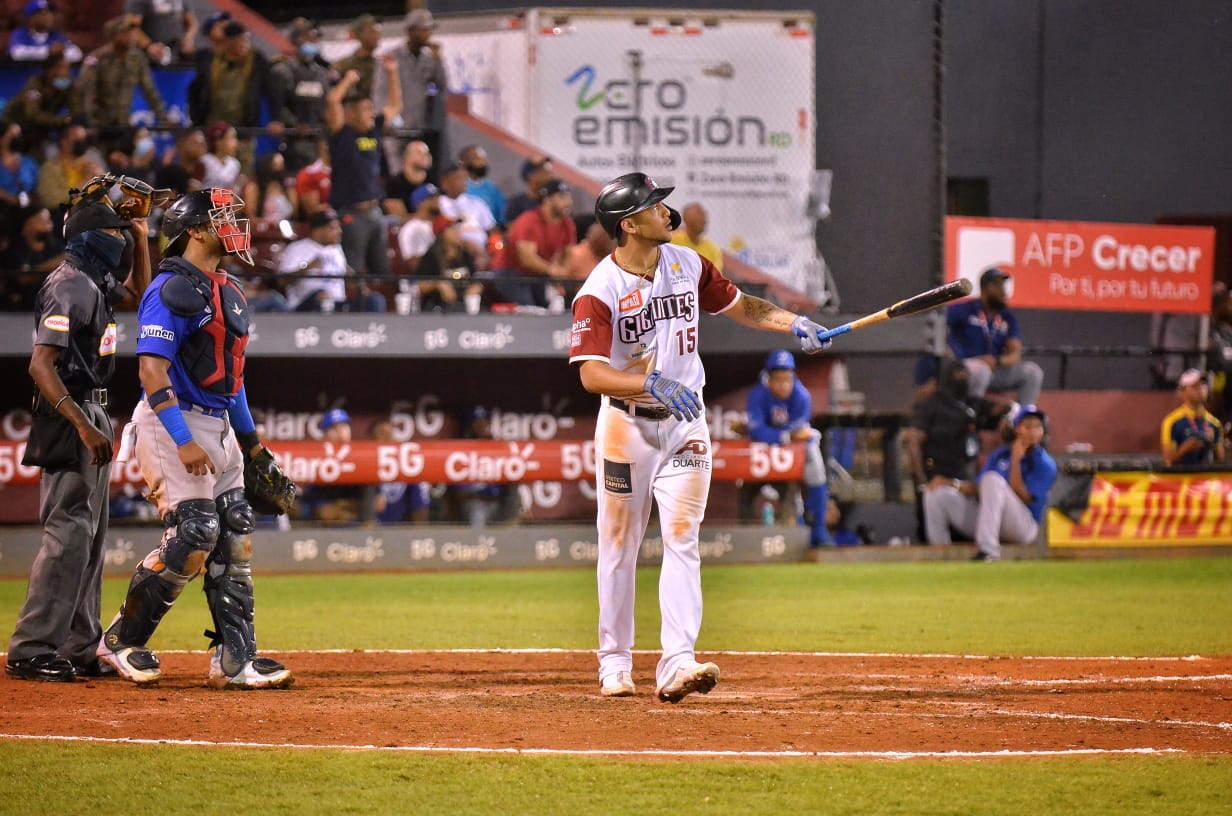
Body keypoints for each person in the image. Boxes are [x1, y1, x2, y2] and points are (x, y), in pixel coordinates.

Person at [569, 172, 834, 702]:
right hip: (627, 427)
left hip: (686, 423)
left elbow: (742, 305)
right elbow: (591, 375)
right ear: (630, 225)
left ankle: (678, 661)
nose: (668, 213)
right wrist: (648, 381)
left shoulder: (688, 263)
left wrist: (792, 322)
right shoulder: (599, 290)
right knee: (619, 545)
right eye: (654, 207)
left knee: (683, 537)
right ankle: (615, 662)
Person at [96, 186, 294, 689]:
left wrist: (251, 445)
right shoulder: (170, 288)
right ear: (198, 229)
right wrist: (184, 438)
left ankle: (236, 659)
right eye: (224, 216)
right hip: (171, 422)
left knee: (234, 532)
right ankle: (120, 641)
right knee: (196, 534)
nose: (236, 225)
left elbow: (234, 379)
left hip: (220, 423)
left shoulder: (226, 288)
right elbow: (151, 371)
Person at [5, 191, 151, 682]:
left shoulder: (94, 281)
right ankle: (32, 647)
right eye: (112, 232)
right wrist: (83, 424)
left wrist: (143, 236)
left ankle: (78, 644)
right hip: (69, 409)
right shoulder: (68, 284)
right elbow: (40, 365)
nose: (120, 239)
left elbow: (142, 297)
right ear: (90, 236)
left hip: (92, 407)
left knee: (90, 538)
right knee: (67, 533)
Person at [923, 404, 1057, 560]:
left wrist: (1015, 460)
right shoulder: (1000, 454)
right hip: (991, 522)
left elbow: (1024, 498)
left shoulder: (1045, 463)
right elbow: (979, 489)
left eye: (1037, 427)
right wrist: (950, 484)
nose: (1033, 431)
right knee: (935, 493)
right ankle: (940, 555)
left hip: (1024, 527)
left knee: (993, 479)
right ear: (1016, 429)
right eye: (1027, 426)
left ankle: (988, 551)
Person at [906, 357, 1009, 545]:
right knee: (931, 506)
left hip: (966, 472)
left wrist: (1010, 414)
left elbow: (1000, 410)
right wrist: (921, 481)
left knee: (966, 525)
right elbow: (913, 441)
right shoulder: (931, 404)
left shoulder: (972, 402)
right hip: (935, 471)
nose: (962, 378)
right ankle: (938, 556)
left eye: (965, 374)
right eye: (957, 374)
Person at [744, 349, 831, 547]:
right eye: (779, 379)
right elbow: (758, 431)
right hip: (765, 450)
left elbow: (800, 431)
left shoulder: (801, 395)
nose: (784, 384)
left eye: (788, 379)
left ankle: (819, 531)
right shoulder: (758, 394)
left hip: (794, 450)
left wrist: (784, 435)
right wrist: (786, 436)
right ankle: (797, 531)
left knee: (816, 468)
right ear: (768, 378)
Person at [326, 60, 401, 283]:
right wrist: (348, 81)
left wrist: (392, 73)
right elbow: (332, 100)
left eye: (371, 108)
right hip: (352, 212)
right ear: (351, 113)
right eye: (366, 109)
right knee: (353, 269)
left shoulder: (374, 131)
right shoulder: (342, 134)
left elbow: (395, 106)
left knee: (382, 271)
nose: (371, 113)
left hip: (375, 211)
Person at [946, 267, 1044, 407]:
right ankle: (970, 416)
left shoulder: (1006, 317)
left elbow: (1015, 353)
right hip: (966, 368)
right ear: (985, 289)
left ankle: (1023, 418)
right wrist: (952, 358)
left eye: (1004, 285)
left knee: (1032, 372)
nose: (1003, 291)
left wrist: (997, 361)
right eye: (997, 285)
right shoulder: (966, 309)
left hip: (995, 369)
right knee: (982, 370)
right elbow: (938, 324)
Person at [373, 9, 448, 178]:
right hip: (395, 125)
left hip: (418, 124)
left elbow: (442, 85)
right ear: (411, 31)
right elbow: (379, 93)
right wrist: (385, 120)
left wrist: (439, 60)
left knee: (418, 172)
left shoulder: (429, 59)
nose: (428, 34)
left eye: (429, 29)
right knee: (397, 172)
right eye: (424, 30)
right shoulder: (391, 56)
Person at [279, 207, 382, 313]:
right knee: (322, 295)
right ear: (318, 230)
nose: (340, 232)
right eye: (333, 228)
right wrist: (307, 268)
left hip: (337, 305)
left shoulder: (336, 249)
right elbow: (282, 281)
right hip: (307, 306)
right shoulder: (297, 248)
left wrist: (359, 286)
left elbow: (348, 276)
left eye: (339, 227)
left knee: (374, 300)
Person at [72, 16, 168, 129]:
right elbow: (81, 89)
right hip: (98, 125)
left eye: (132, 33)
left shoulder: (137, 59)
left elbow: (149, 90)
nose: (132, 37)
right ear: (114, 36)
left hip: (124, 123)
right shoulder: (96, 58)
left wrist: (163, 117)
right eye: (126, 34)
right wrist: (82, 121)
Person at [494, 177, 576, 308]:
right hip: (511, 273)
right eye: (562, 197)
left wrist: (562, 276)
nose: (568, 202)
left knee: (556, 307)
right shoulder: (529, 220)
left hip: (540, 274)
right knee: (531, 311)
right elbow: (527, 259)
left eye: (568, 197)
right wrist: (553, 271)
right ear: (547, 200)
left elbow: (567, 254)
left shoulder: (567, 224)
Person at [271, 18, 332, 174]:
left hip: (319, 139)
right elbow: (278, 105)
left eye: (314, 37)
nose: (312, 40)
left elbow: (327, 103)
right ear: (295, 40)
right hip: (293, 140)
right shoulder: (283, 70)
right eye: (306, 36)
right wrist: (293, 124)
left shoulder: (322, 73)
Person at [301, 409, 383, 524]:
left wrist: (340, 507)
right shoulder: (317, 462)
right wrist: (357, 507)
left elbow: (378, 504)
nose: (340, 433)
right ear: (324, 436)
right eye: (334, 429)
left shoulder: (361, 459)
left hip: (359, 529)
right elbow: (325, 513)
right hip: (326, 532)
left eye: (344, 427)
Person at [0, 53, 74, 152]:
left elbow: (75, 106)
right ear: (51, 70)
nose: (68, 73)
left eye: (68, 68)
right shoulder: (34, 86)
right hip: (15, 123)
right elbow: (33, 114)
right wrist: (61, 120)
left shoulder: (64, 86)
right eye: (64, 68)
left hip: (39, 127)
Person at [1, 205, 64, 311]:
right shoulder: (14, 250)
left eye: (48, 220)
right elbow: (23, 278)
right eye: (41, 221)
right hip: (20, 310)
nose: (47, 224)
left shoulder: (57, 247)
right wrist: (53, 264)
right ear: (26, 226)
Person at [1161, 368, 1225, 467]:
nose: (1201, 389)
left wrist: (1213, 444)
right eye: (1195, 386)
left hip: (1206, 480)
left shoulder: (1214, 423)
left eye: (1204, 385)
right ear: (1182, 391)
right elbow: (1167, 461)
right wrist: (1184, 450)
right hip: (1182, 479)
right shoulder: (1172, 421)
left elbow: (1221, 462)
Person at [417, 216, 483, 312]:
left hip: (464, 306)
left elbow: (475, 279)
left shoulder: (465, 254)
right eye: (453, 228)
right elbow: (420, 285)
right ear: (442, 233)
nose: (458, 232)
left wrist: (476, 287)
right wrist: (438, 284)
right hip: (437, 308)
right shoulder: (431, 256)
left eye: (458, 228)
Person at [437, 161, 496, 264]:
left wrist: (491, 249)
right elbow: (439, 234)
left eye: (465, 178)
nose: (465, 182)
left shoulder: (477, 203)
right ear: (445, 182)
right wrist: (464, 245)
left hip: (483, 254)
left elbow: (493, 231)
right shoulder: (438, 204)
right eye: (459, 178)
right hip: (453, 255)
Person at [9, 0, 82, 63]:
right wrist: (48, 52)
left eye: (50, 13)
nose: (49, 17)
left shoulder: (56, 35)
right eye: (43, 14)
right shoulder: (20, 34)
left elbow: (77, 54)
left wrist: (56, 53)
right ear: (31, 18)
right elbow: (16, 53)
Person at [126, 0, 198, 64]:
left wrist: (188, 38)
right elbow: (131, 27)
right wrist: (148, 46)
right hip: (147, 59)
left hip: (177, 56)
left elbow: (191, 22)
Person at [333, 14, 382, 102]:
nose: (376, 35)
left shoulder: (381, 64)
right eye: (371, 31)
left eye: (377, 31)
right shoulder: (344, 65)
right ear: (359, 35)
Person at [383, 140, 432, 223]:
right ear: (406, 157)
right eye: (420, 152)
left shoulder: (435, 181)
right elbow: (399, 219)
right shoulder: (394, 184)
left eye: (427, 152)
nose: (426, 156)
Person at [241, 151, 296, 224]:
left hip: (285, 229)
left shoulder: (288, 188)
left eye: (282, 165)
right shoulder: (253, 188)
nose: (278, 173)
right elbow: (250, 216)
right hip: (261, 230)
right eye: (275, 166)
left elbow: (294, 213)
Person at [395, 182, 441, 268]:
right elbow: (411, 262)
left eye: (437, 196)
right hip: (422, 278)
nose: (437, 200)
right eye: (432, 198)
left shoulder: (439, 225)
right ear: (420, 203)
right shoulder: (410, 229)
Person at [459, 144, 505, 228]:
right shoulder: (459, 185)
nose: (483, 163)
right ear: (464, 162)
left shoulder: (492, 188)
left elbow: (502, 215)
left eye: (484, 159)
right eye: (477, 159)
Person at [152, 127, 206, 197]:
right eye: (196, 143)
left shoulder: (203, 169)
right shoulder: (167, 172)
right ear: (181, 144)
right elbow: (161, 201)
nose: (202, 147)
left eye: (203, 144)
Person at [670, 202, 723, 271]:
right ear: (686, 219)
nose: (704, 220)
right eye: (700, 215)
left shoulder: (713, 249)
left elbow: (715, 276)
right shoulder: (671, 242)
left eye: (704, 216)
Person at [504, 154, 552, 224]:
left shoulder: (552, 201)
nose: (549, 173)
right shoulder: (516, 205)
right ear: (531, 177)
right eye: (543, 169)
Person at [200, 122, 241, 190]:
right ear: (218, 141)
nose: (236, 143)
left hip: (225, 200)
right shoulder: (205, 161)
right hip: (204, 199)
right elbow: (193, 188)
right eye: (232, 138)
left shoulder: (235, 164)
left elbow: (233, 191)